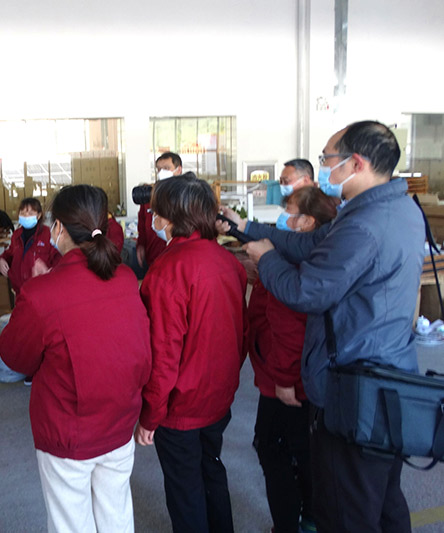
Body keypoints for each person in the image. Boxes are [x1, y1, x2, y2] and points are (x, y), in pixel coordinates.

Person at [239, 121, 424, 532]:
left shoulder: (362, 225)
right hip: (389, 378)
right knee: (384, 499)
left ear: (356, 163)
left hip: (356, 386)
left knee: (346, 509)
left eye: (327, 159)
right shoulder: (396, 209)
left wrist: (266, 261)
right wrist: (250, 229)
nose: (324, 167)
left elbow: (306, 291)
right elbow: (309, 245)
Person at [0, 185, 151, 533]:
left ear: (59, 228)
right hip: (119, 422)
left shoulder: (42, 292)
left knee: (71, 523)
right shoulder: (125, 278)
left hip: (68, 431)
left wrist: (34, 295)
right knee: (116, 515)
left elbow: (14, 355)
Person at [135, 173, 248, 533]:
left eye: (156, 212)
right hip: (218, 397)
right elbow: (240, 334)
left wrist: (151, 414)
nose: (153, 218)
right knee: (211, 469)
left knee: (185, 489)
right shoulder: (227, 260)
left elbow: (163, 354)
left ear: (171, 217)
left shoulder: (168, 270)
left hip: (180, 406)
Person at [246, 187, 336, 533]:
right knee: (306, 448)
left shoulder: (290, 264)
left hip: (285, 381)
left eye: (291, 212)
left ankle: (289, 525)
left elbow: (288, 330)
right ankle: (311, 518)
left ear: (308, 222)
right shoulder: (321, 254)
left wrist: (283, 380)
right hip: (306, 375)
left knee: (273, 449)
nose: (284, 218)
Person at [0, 197, 58, 297]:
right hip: (19, 291)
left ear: (39, 215)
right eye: (22, 213)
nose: (26, 216)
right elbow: (10, 253)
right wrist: (1, 260)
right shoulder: (17, 235)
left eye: (30, 213)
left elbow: (58, 259)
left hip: (41, 291)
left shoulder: (48, 234)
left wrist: (49, 272)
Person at [136, 151, 183, 270]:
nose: (162, 172)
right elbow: (142, 224)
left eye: (166, 168)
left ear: (179, 170)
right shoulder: (150, 196)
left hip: (178, 258)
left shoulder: (186, 197)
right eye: (159, 169)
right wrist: (140, 244)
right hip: (153, 257)